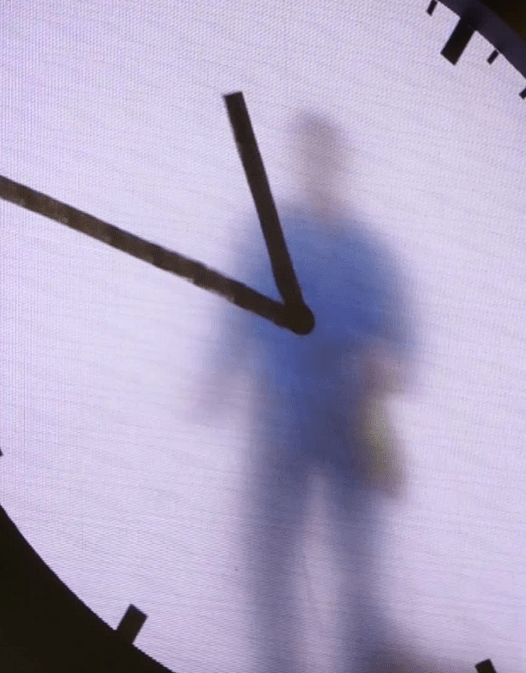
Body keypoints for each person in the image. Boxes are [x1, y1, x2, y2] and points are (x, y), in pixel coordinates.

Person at [196, 111, 412, 673]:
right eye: (308, 157)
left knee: (358, 556)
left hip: (354, 425)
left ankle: (367, 658)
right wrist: (216, 376)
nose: (318, 167)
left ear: (341, 165)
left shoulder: (371, 251)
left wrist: (393, 363)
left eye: (328, 157)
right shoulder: (266, 236)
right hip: (280, 421)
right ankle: (277, 663)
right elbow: (237, 313)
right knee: (268, 558)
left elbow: (403, 336)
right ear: (298, 165)